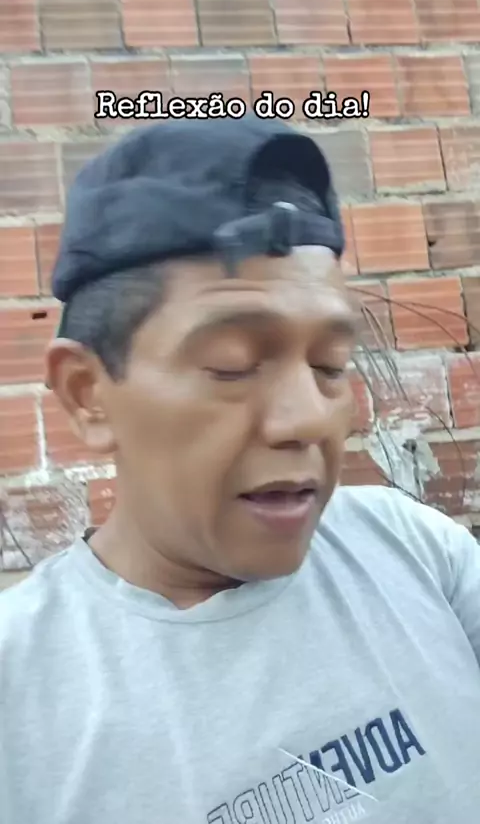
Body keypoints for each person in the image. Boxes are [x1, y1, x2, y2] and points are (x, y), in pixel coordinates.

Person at [1, 115, 480, 824]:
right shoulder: (20, 695)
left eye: (330, 366)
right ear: (88, 394)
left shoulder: (413, 551)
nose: (307, 418)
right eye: (231, 366)